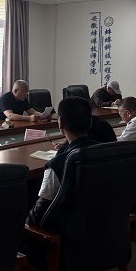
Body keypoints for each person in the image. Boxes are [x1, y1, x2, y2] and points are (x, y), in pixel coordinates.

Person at [27, 97, 97, 227]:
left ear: (60, 123)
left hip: (64, 232)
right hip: (99, 224)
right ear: (90, 122)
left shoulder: (57, 165)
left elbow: (38, 215)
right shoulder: (106, 151)